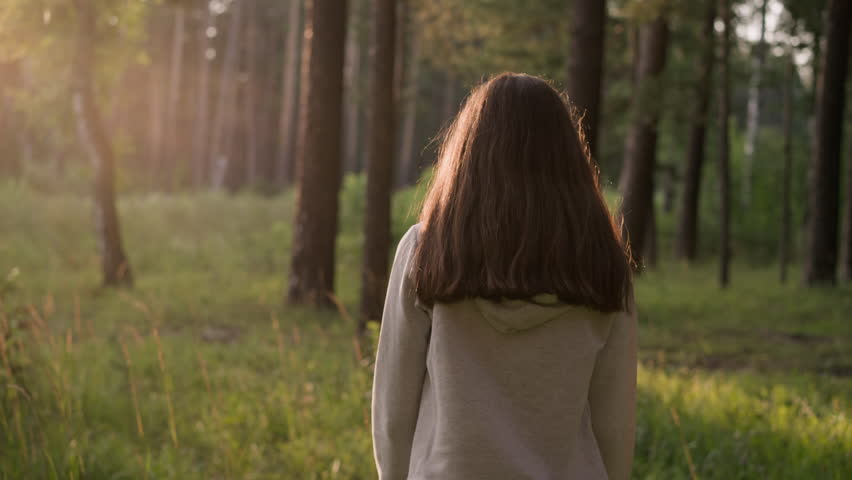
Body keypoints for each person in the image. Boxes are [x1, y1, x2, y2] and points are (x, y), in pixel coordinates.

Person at [371, 72, 637, 480]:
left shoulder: (427, 250)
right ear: (568, 158)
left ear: (469, 154)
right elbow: (615, 426)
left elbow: (393, 413)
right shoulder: (601, 263)